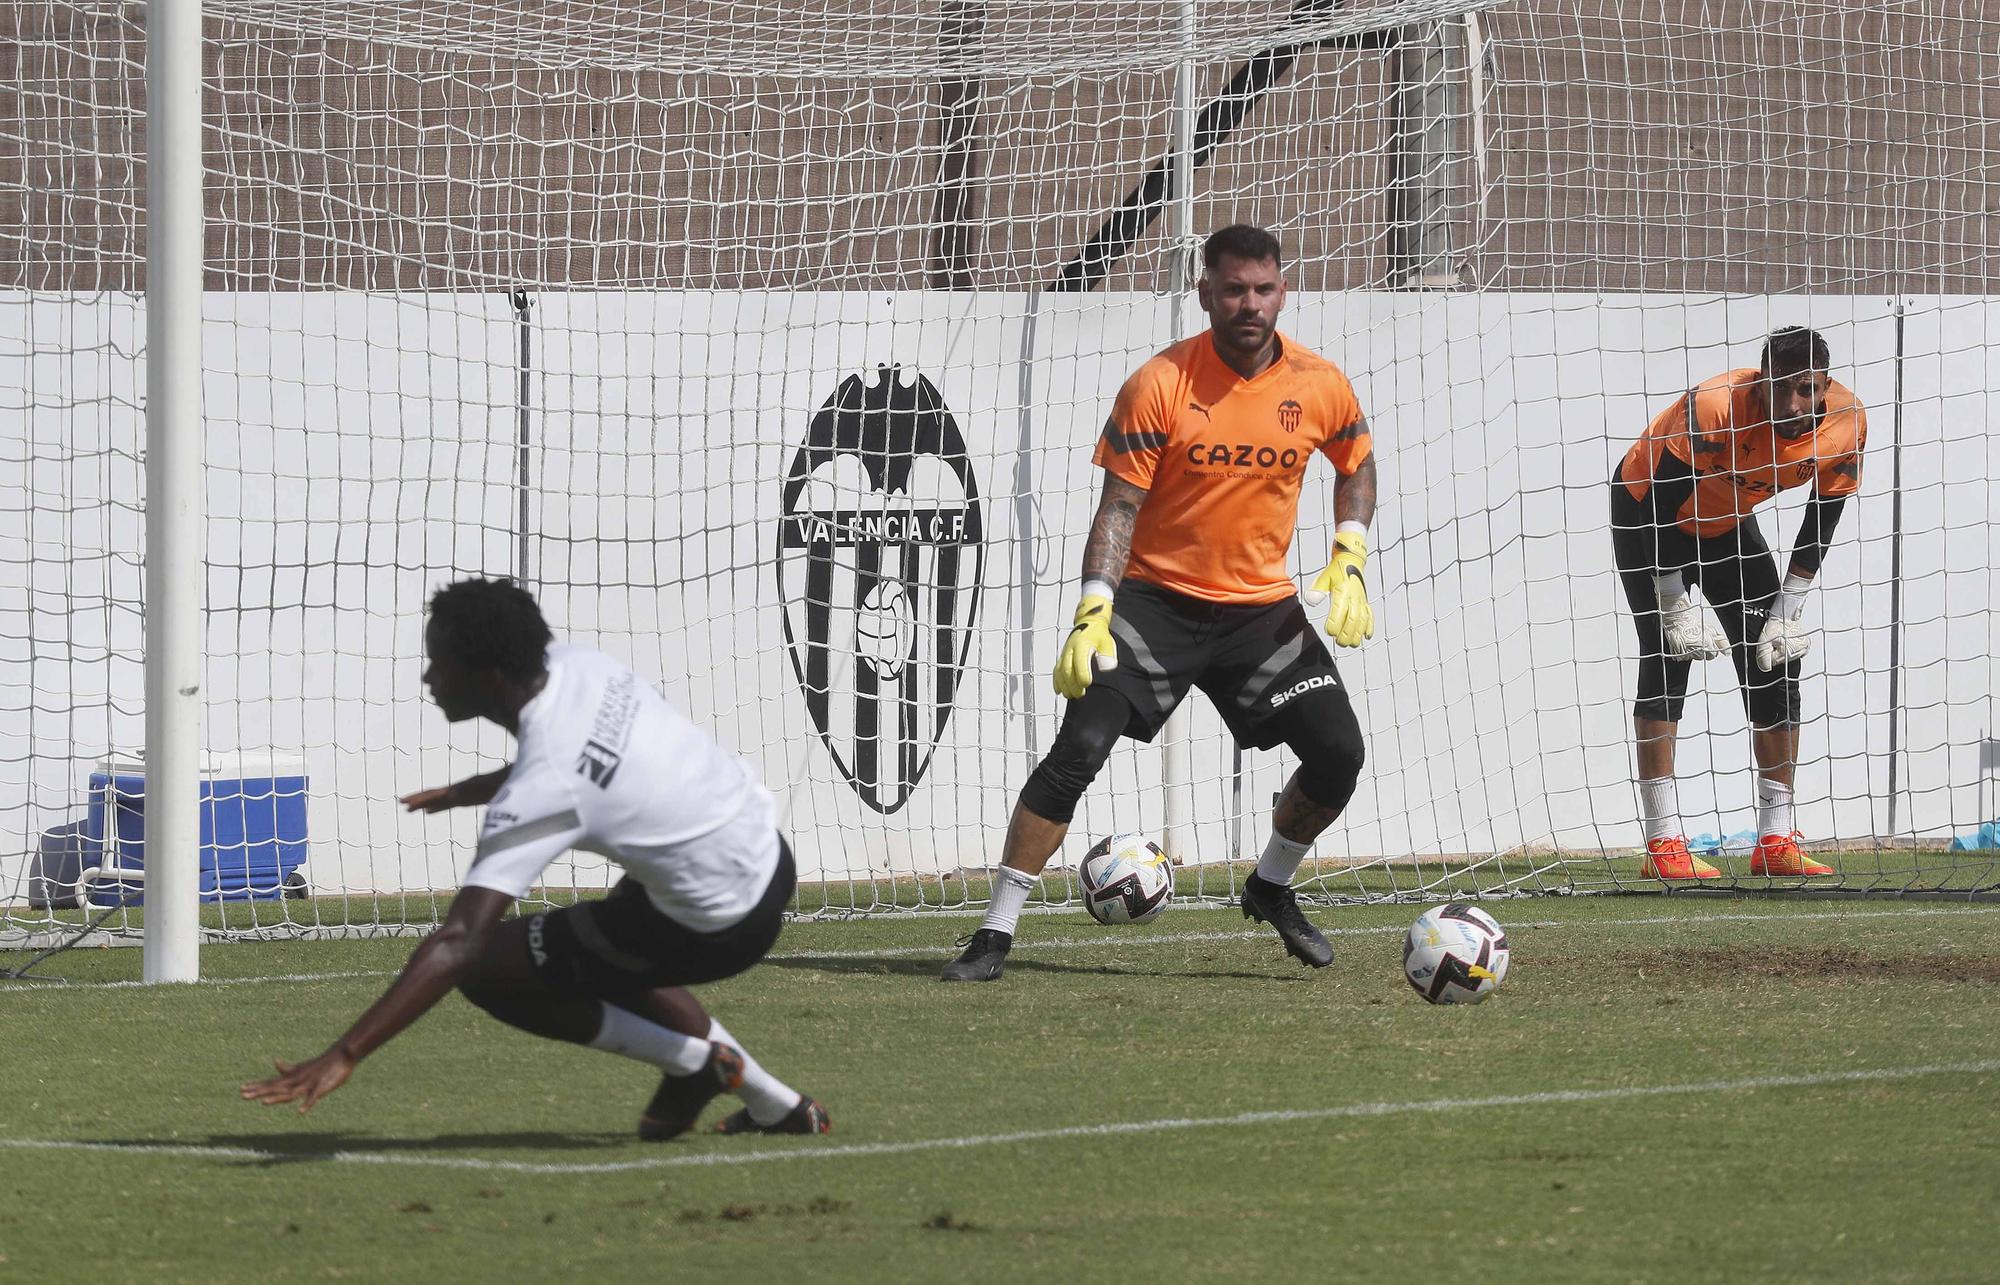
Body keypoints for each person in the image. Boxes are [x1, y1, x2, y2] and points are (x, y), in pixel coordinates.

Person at [941, 223, 1377, 983]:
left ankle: (1270, 886)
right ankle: (993, 932)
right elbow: (1118, 509)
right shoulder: (1161, 383)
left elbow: (1355, 462)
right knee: (1077, 751)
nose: (1250, 304)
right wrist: (1092, 608)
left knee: (1340, 754)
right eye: (1234, 289)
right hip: (1154, 605)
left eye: (1264, 288)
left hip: (1259, 612)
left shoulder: (1320, 383)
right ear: (1204, 291)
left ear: (1284, 291)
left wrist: (1350, 550)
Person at [242, 578, 828, 1138]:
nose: (428, 677)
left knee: (492, 968)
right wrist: (466, 790)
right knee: (594, 948)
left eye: (439, 663)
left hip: (720, 925)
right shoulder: (583, 666)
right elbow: (576, 757)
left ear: (489, 677)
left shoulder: (544, 787)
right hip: (765, 856)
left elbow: (459, 942)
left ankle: (696, 1064)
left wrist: (345, 1053)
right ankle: (777, 1107)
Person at [1611, 326, 1866, 880]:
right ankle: (1663, 843)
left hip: (1725, 520)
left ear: (1823, 384)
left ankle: (1776, 838)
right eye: (1779, 388)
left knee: (1775, 657)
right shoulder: (1714, 407)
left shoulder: (1846, 421)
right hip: (1648, 513)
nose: (1791, 404)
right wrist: (1672, 596)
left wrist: (1789, 606)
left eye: (1805, 389)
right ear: (1760, 380)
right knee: (1667, 654)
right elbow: (1661, 498)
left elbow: (1823, 515)